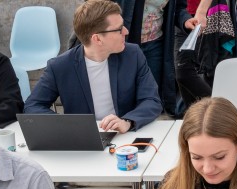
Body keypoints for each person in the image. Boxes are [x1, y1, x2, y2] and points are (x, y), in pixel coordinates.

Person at [25, 0, 162, 133]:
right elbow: (33, 106)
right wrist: (66, 127)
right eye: (119, 29)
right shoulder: (60, 66)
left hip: (124, 136)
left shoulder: (133, 55)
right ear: (97, 39)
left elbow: (152, 100)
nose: (126, 31)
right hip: (82, 141)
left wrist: (127, 122)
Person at [118, 0, 188, 117]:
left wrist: (185, 20)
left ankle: (148, 125)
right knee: (125, 91)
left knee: (152, 93)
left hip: (155, 45)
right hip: (125, 43)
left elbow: (178, 9)